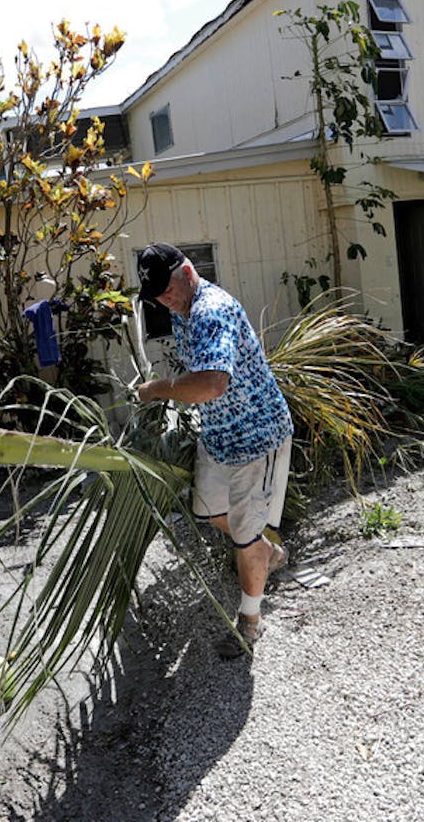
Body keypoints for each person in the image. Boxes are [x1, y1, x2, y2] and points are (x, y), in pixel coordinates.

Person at [134, 242, 292, 658]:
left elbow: (212, 384)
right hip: (221, 434)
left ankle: (250, 623)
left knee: (242, 536)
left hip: (258, 438)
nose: (164, 300)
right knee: (206, 510)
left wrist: (159, 390)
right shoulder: (179, 309)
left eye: (167, 290)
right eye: (157, 296)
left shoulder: (210, 311)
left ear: (187, 271)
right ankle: (266, 551)